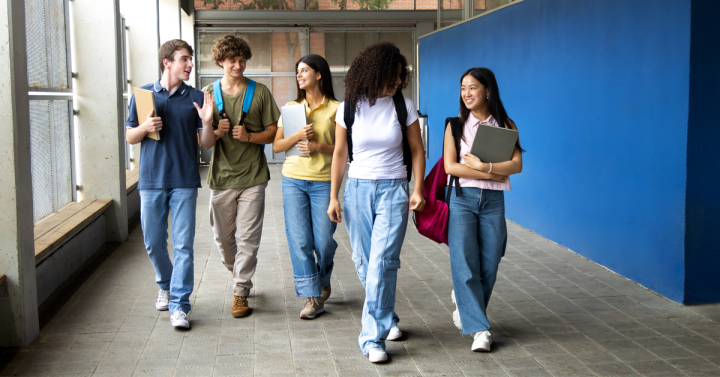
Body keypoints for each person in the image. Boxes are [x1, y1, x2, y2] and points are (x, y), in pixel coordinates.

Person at [327, 42, 426, 363]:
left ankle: (372, 338)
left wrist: (418, 188)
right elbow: (340, 153)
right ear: (373, 75)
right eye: (392, 78)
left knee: (382, 262)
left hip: (394, 189)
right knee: (363, 260)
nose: (397, 83)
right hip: (356, 190)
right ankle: (388, 318)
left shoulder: (404, 106)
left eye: (400, 78)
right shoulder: (348, 107)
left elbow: (417, 151)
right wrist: (333, 196)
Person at [126, 39, 215, 329]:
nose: (190, 64)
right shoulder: (143, 96)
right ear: (167, 62)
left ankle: (180, 304)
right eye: (184, 59)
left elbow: (207, 144)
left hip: (185, 181)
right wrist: (144, 128)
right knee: (153, 243)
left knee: (184, 246)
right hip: (151, 180)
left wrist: (208, 121)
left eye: (190, 59)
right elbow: (130, 137)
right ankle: (165, 283)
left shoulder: (198, 97)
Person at [443, 67, 524, 352]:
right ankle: (479, 329)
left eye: (473, 87)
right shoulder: (454, 125)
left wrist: (484, 166)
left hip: (492, 203)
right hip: (462, 199)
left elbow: (516, 165)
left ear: (487, 90)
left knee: (490, 262)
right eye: (463, 87)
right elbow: (450, 167)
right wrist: (489, 174)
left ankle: (467, 305)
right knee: (465, 262)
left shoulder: (504, 123)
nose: (466, 93)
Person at [202, 35, 280, 318]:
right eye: (232, 60)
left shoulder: (259, 92)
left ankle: (240, 292)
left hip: (253, 177)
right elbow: (205, 143)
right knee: (224, 240)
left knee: (248, 238)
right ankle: (239, 274)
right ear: (221, 61)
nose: (238, 65)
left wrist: (250, 137)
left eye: (242, 59)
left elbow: (273, 132)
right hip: (221, 178)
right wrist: (216, 131)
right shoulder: (208, 94)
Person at [273, 54, 339, 319]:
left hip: (323, 181)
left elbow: (346, 150)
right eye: (297, 71)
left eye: (305, 71)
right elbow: (278, 147)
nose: (299, 75)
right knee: (300, 240)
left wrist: (318, 146)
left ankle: (323, 278)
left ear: (319, 74)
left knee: (323, 242)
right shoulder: (290, 108)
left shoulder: (336, 108)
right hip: (293, 180)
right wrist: (297, 136)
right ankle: (312, 297)